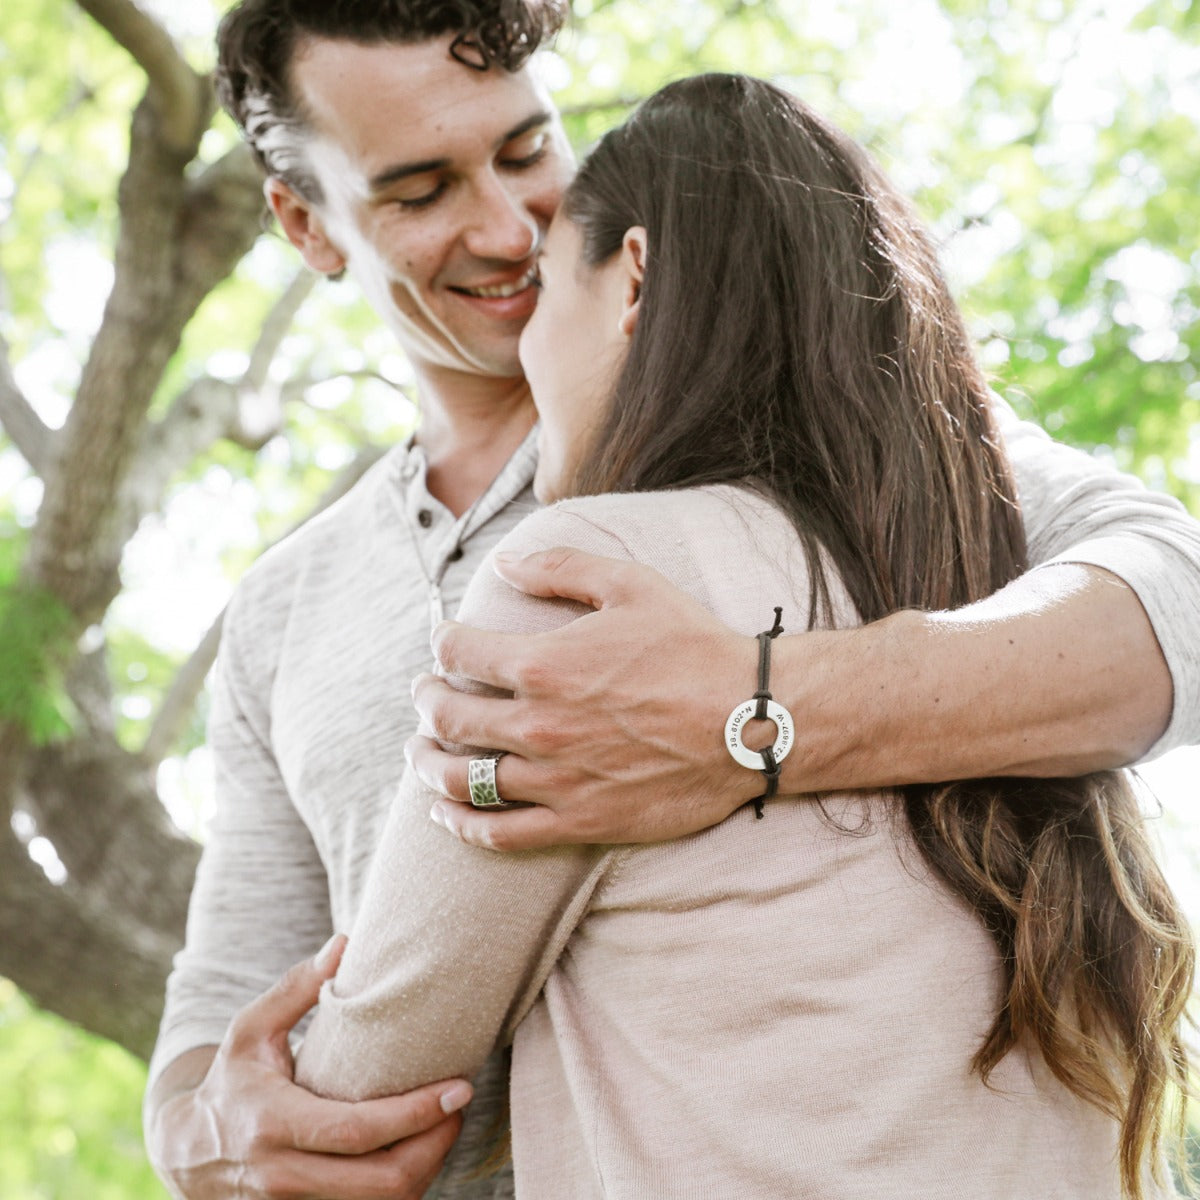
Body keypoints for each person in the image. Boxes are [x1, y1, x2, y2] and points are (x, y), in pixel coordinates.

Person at [143, 3, 1200, 1198]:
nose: (505, 225)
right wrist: (203, 1134)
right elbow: (226, 992)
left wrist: (751, 713)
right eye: (420, 189)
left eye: (527, 151)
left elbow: (1180, 610)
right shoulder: (283, 610)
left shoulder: (849, 452)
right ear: (306, 223)